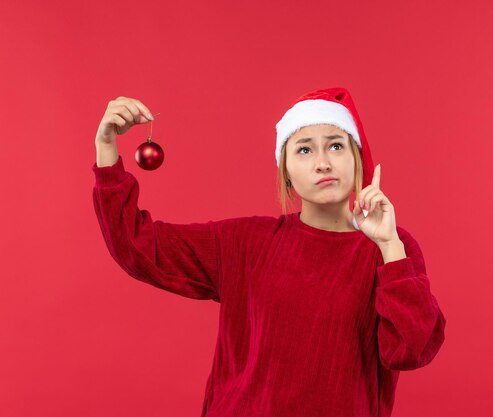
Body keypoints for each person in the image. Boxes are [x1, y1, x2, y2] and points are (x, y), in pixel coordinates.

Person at [92, 87, 446, 417]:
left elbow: (411, 349)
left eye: (336, 146)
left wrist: (389, 246)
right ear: (287, 172)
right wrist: (106, 147)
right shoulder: (246, 242)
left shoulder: (392, 249)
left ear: (357, 157)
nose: (323, 162)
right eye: (304, 149)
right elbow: (137, 245)